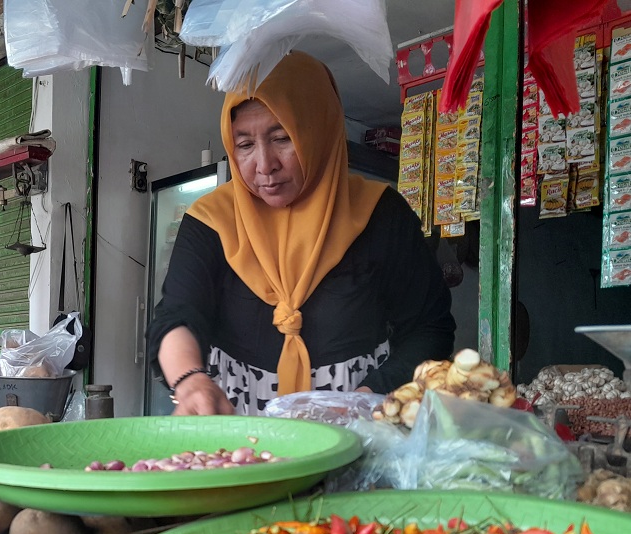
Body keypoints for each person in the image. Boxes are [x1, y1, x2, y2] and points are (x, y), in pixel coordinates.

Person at [147, 52, 456, 416]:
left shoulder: (381, 214)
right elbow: (177, 316)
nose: (264, 166)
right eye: (244, 144)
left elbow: (429, 327)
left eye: (282, 138)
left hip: (358, 421)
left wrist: (367, 398)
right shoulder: (211, 221)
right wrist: (191, 381)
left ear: (319, 131)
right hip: (239, 428)